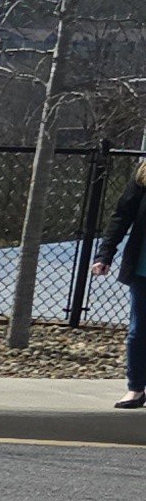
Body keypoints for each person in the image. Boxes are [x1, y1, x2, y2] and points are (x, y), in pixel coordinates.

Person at [96, 156, 146, 409]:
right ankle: (136, 389)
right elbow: (121, 216)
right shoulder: (143, 175)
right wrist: (105, 254)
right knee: (139, 331)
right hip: (143, 268)